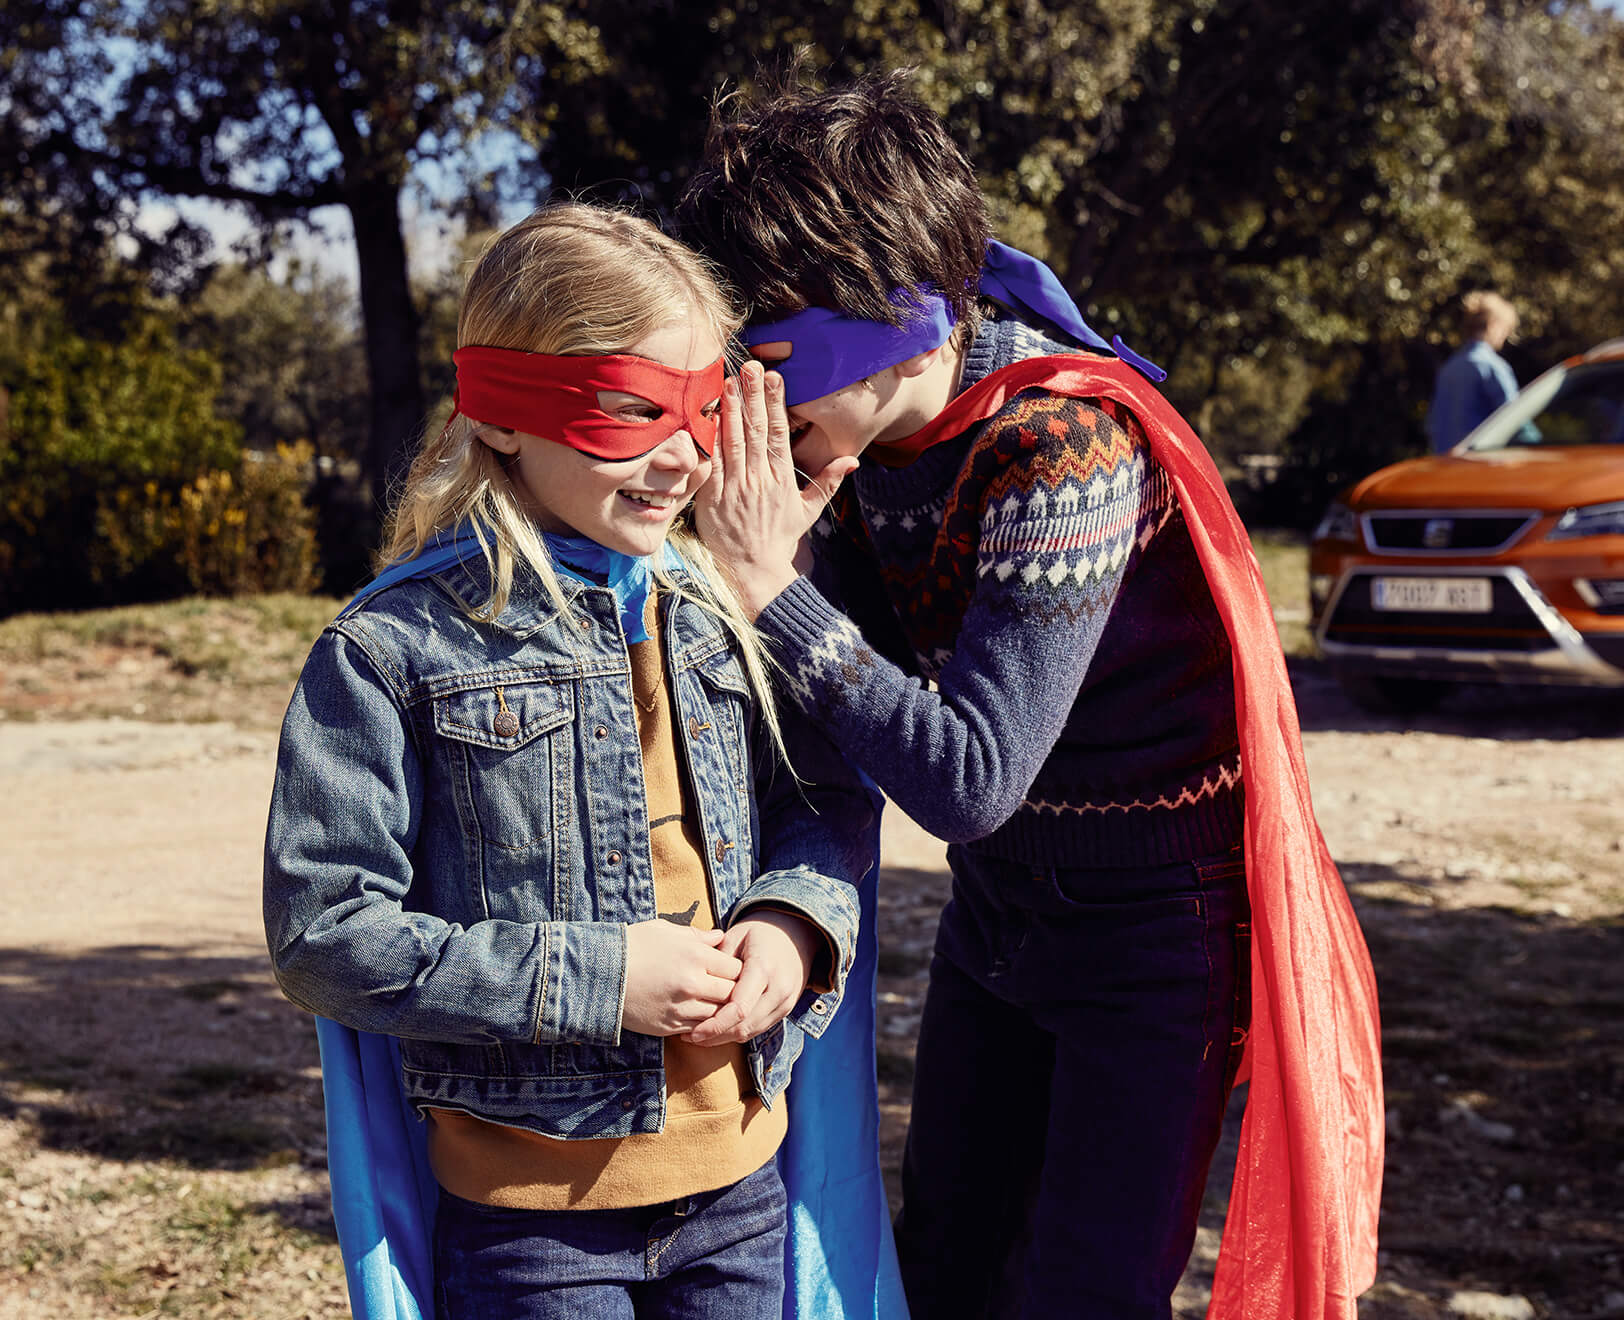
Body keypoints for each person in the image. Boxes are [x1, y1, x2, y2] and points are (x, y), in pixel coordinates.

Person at [673, 74, 1383, 1320]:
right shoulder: (870, 443)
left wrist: (770, 586)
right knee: (948, 1255)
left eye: (770, 363)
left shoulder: (1061, 444)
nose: (754, 414)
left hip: (1157, 932)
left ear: (881, 317)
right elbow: (844, 715)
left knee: (1084, 1290)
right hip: (1002, 922)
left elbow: (968, 780)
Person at [262, 203, 879, 1319]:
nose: (684, 456)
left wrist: (795, 921)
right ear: (501, 416)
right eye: (632, 412)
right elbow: (324, 935)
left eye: (702, 411)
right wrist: (596, 979)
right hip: (529, 1231)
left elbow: (820, 803)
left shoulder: (718, 611)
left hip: (740, 1190)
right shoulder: (388, 652)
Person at [1426, 290, 1522, 452]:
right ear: (1493, 325)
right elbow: (1517, 421)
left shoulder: (1449, 368)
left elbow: (1434, 425)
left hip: (1446, 466)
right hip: (1483, 467)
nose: (1505, 336)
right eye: (1506, 329)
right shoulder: (1492, 366)